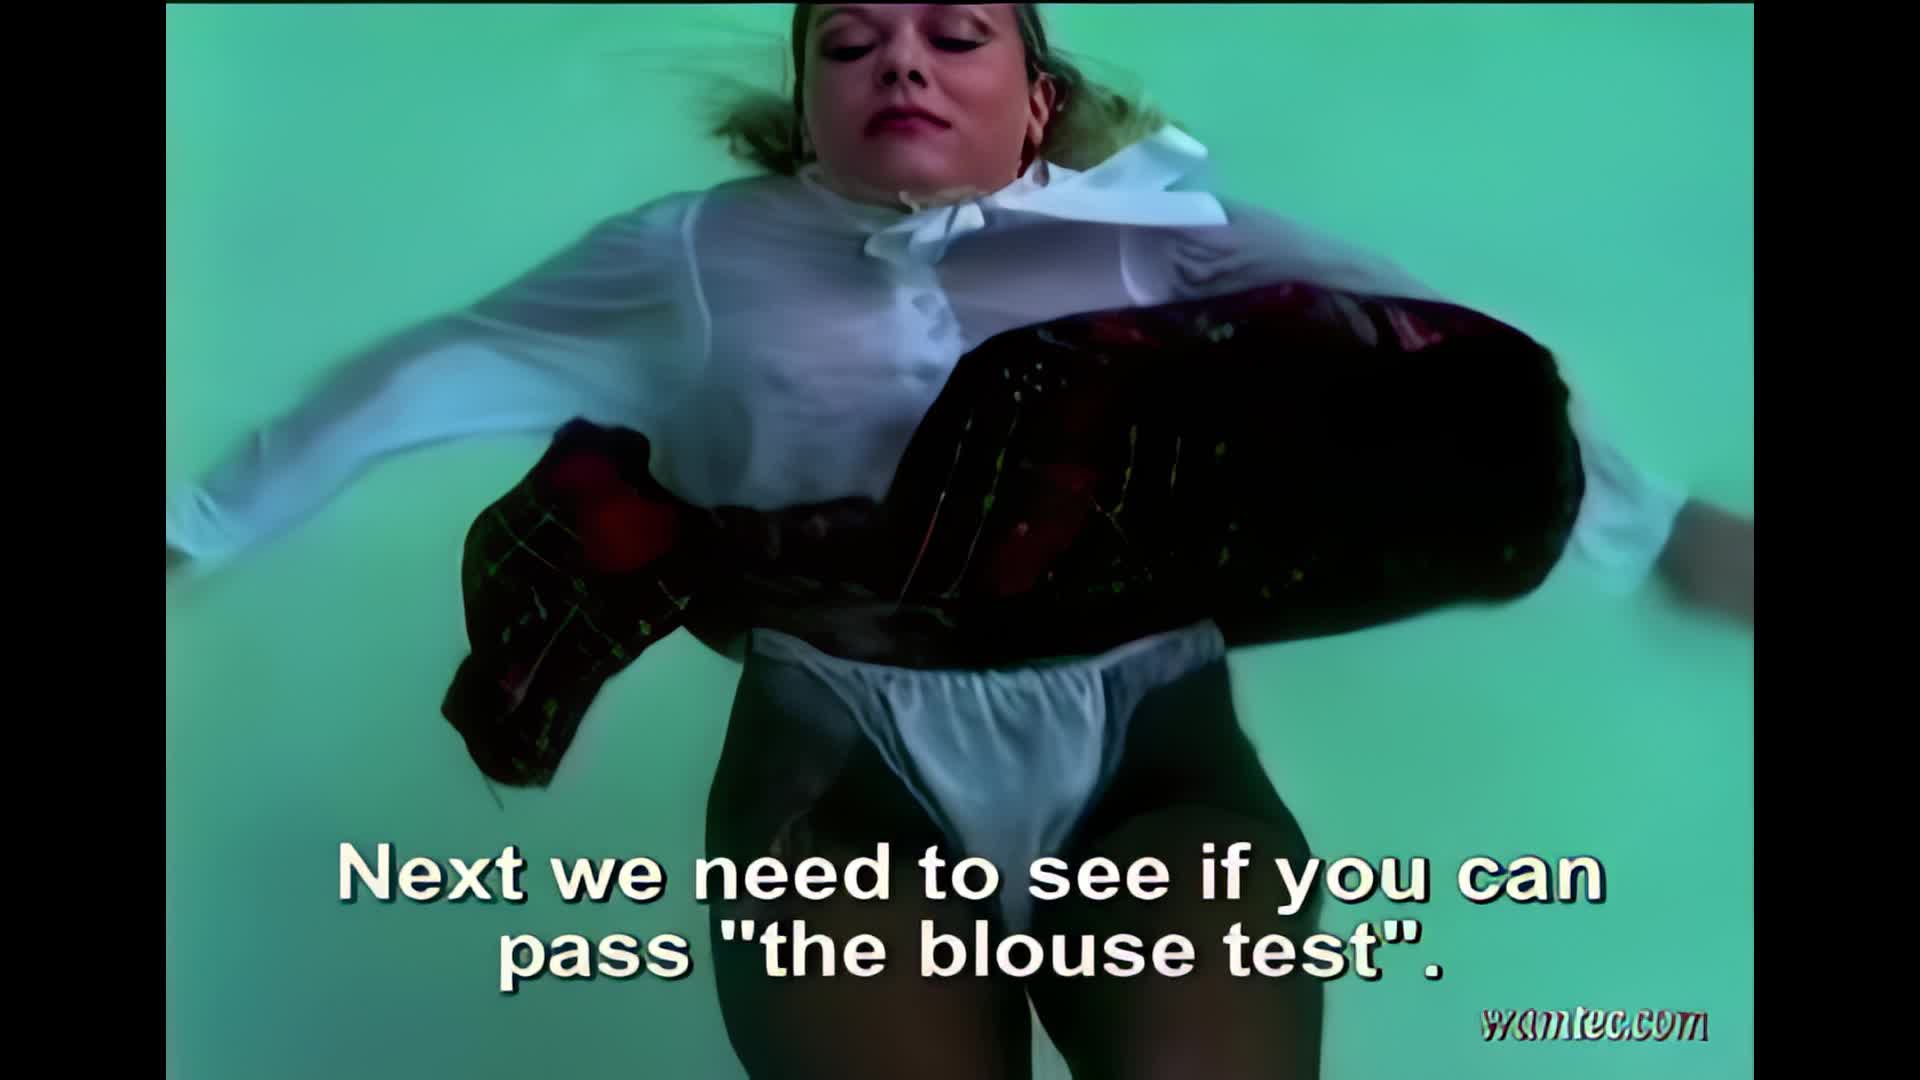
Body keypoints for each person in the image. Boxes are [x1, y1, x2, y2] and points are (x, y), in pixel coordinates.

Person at [165, 5, 1753, 1077]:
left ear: (1039, 98)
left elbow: (1441, 378)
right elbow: (422, 376)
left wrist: (1657, 536)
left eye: (954, 35)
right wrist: (198, 530)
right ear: (807, 109)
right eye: (849, 43)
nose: (901, 63)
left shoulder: (1162, 236)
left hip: (1151, 738)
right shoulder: (690, 252)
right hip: (835, 750)